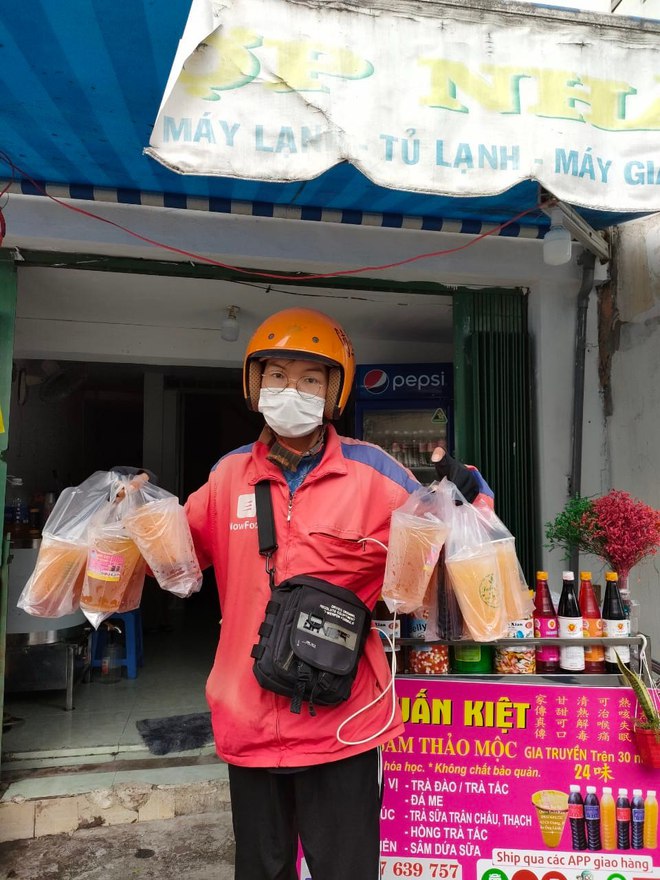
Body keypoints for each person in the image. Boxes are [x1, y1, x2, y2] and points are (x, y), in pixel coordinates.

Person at [184, 307, 491, 880]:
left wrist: (471, 493)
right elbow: (179, 561)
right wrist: (128, 513)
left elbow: (456, 547)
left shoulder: (374, 472)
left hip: (343, 722)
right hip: (247, 714)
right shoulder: (227, 477)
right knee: (261, 869)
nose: (290, 390)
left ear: (335, 391)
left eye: (309, 378)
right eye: (276, 375)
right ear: (254, 386)